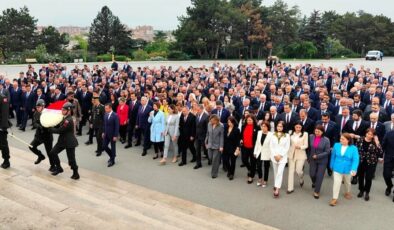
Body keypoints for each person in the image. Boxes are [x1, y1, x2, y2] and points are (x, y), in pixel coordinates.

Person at [49, 102, 79, 179]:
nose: (62, 111)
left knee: (71, 159)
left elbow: (60, 130)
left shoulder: (68, 120)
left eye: (64, 110)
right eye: (62, 109)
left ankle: (76, 173)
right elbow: (58, 125)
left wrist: (50, 129)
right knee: (53, 153)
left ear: (68, 111)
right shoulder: (64, 118)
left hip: (69, 142)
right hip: (62, 141)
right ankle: (59, 168)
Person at [353, 128, 383, 201]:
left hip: (371, 162)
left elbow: (380, 152)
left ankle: (367, 192)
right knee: (360, 177)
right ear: (366, 133)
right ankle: (361, 190)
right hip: (361, 161)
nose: (369, 136)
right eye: (368, 134)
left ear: (373, 136)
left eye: (371, 135)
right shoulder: (360, 140)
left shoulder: (375, 142)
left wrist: (377, 142)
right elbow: (356, 149)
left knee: (368, 178)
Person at [329, 133, 360, 206]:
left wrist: (354, 169)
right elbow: (333, 156)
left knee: (347, 182)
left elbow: (355, 159)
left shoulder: (353, 148)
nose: (340, 140)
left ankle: (347, 192)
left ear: (348, 140)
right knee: (337, 183)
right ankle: (334, 198)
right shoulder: (336, 145)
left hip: (348, 169)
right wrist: (331, 165)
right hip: (337, 167)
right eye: (340, 138)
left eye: (343, 139)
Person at [28, 99, 55, 171]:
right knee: (31, 146)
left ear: (43, 106)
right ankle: (41, 156)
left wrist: (45, 125)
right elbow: (34, 123)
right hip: (39, 135)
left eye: (39, 107)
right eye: (37, 107)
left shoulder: (48, 114)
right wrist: (38, 126)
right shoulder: (36, 113)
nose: (37, 108)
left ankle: (53, 165)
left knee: (50, 152)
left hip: (47, 136)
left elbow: (51, 124)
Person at [308, 125, 331, 199]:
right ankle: (314, 182)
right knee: (312, 174)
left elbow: (327, 152)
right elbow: (309, 148)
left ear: (322, 132)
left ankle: (316, 191)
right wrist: (308, 157)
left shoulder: (326, 140)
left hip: (322, 160)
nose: (317, 133)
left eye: (318, 131)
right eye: (316, 131)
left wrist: (318, 156)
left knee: (319, 176)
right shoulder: (311, 136)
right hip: (312, 159)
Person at [269, 121, 290, 198]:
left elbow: (287, 147)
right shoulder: (272, 134)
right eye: (278, 126)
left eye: (281, 126)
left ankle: (277, 189)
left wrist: (280, 155)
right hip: (274, 157)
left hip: (282, 157)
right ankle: (276, 184)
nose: (279, 128)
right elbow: (271, 146)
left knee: (279, 173)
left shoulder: (287, 136)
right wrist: (275, 155)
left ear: (284, 127)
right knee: (275, 172)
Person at [287, 121, 308, 194]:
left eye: (299, 127)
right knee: (291, 171)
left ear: (302, 127)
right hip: (291, 154)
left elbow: (306, 145)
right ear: (294, 127)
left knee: (298, 170)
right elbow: (287, 143)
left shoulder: (305, 134)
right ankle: (290, 188)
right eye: (296, 127)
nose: (298, 129)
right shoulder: (290, 133)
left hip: (301, 154)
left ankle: (301, 177)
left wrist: (300, 147)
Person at [253, 121, 273, 187]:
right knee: (258, 166)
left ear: (268, 127)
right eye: (262, 126)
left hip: (267, 152)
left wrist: (271, 155)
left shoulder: (271, 134)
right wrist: (255, 152)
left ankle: (265, 180)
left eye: (265, 126)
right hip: (259, 151)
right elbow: (257, 143)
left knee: (266, 167)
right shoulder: (259, 132)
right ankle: (260, 178)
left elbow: (272, 146)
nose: (263, 128)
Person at [240, 114, 259, 184]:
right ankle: (250, 169)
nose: (249, 121)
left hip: (253, 147)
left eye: (250, 120)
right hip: (245, 146)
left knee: (253, 162)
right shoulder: (243, 126)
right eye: (247, 120)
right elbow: (241, 135)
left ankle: (251, 176)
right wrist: (241, 139)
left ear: (253, 120)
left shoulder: (257, 127)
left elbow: (258, 138)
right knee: (244, 160)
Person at [205, 114, 224, 178]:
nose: (211, 122)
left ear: (217, 120)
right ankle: (218, 162)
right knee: (210, 157)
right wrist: (206, 142)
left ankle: (214, 173)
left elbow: (221, 136)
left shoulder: (221, 126)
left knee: (214, 160)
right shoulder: (209, 124)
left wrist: (221, 146)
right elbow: (207, 133)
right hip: (210, 144)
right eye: (210, 120)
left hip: (217, 145)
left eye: (213, 121)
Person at [102, 103, 119, 167]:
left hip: (112, 135)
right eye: (105, 108)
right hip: (106, 134)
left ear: (110, 108)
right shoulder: (105, 114)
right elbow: (104, 124)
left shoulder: (115, 115)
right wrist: (103, 132)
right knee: (104, 146)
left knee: (113, 147)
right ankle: (112, 155)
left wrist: (115, 135)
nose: (105, 110)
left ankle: (112, 161)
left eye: (106, 108)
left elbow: (117, 126)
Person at [194, 104, 209, 169]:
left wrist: (207, 137)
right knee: (197, 150)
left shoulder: (206, 116)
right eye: (196, 110)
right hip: (197, 136)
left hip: (204, 136)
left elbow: (207, 128)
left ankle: (210, 159)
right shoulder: (197, 115)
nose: (197, 111)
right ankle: (198, 163)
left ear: (202, 109)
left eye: (198, 110)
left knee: (206, 150)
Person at [382, 130, 394, 202]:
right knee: (386, 174)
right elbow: (383, 144)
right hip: (389, 158)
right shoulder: (389, 133)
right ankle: (389, 186)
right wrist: (380, 156)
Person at [0, 90, 10, 169]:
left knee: (3, 144)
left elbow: (5, 113)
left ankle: (6, 161)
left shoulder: (3, 98)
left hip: (1, 126)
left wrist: (3, 127)